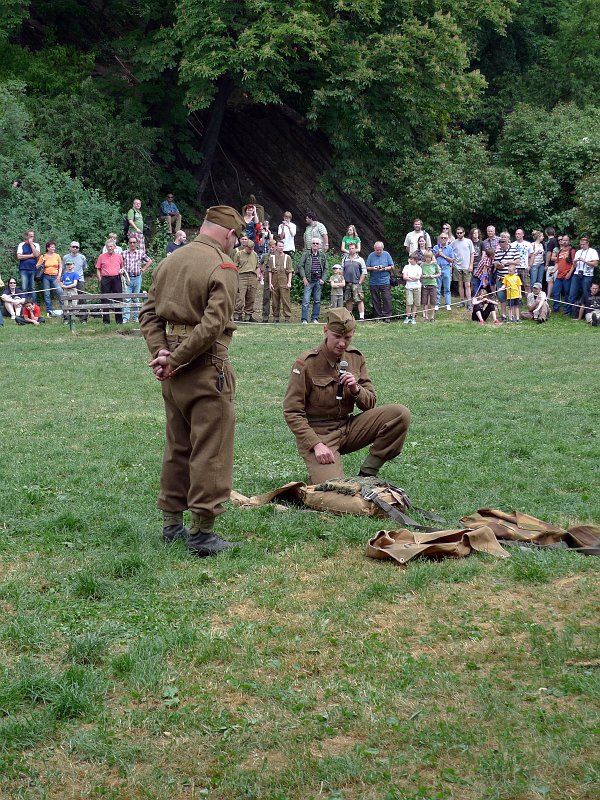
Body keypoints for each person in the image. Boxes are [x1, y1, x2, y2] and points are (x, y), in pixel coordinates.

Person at [138, 205, 244, 557]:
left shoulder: (169, 261)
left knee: (177, 444)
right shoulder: (223, 266)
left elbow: (148, 313)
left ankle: (171, 524)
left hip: (169, 363)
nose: (235, 244)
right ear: (229, 234)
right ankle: (202, 533)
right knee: (211, 448)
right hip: (205, 365)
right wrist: (178, 359)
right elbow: (213, 326)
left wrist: (162, 354)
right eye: (236, 238)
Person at [284, 307, 411, 483]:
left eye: (347, 338)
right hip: (320, 434)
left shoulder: (355, 358)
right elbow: (292, 412)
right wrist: (316, 444)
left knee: (399, 414)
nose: (342, 343)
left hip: (349, 428)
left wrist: (356, 389)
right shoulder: (307, 363)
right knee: (334, 492)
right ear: (326, 331)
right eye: (337, 337)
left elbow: (370, 403)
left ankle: (367, 474)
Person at [297, 236, 328, 324]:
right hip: (308, 281)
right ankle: (304, 319)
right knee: (306, 301)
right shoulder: (306, 254)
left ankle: (315, 318)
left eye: (317, 243)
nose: (315, 245)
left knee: (317, 300)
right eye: (313, 243)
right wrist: (303, 278)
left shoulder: (322, 255)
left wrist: (323, 279)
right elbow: (300, 266)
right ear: (311, 245)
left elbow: (326, 268)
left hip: (318, 281)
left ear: (319, 245)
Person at [122, 236, 152, 323]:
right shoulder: (123, 253)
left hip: (137, 278)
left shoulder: (140, 253)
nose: (132, 244)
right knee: (126, 298)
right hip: (127, 278)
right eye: (130, 242)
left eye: (134, 242)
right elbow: (120, 262)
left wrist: (143, 269)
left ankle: (135, 317)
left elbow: (149, 261)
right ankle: (126, 318)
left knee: (135, 298)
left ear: (137, 244)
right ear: (128, 243)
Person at [568, 236, 599, 318]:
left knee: (586, 294)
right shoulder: (578, 252)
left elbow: (595, 264)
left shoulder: (593, 252)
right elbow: (574, 265)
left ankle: (587, 312)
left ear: (588, 243)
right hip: (577, 274)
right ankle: (571, 312)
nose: (582, 246)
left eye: (583, 244)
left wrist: (584, 261)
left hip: (587, 275)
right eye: (581, 244)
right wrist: (575, 262)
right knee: (572, 293)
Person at [96, 240, 124, 324]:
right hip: (105, 279)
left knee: (118, 299)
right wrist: (100, 279)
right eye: (108, 247)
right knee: (105, 299)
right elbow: (98, 269)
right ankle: (106, 321)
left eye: (111, 246)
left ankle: (119, 321)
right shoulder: (101, 256)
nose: (110, 248)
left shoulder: (119, 256)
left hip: (116, 278)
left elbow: (122, 267)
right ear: (106, 247)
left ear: (114, 247)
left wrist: (122, 271)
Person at [493, 233, 521, 320]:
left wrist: (508, 262)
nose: (501, 243)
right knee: (501, 296)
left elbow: (518, 262)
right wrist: (499, 265)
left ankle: (512, 315)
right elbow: (495, 263)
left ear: (507, 241)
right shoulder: (497, 251)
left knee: (512, 296)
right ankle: (504, 315)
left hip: (512, 278)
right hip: (501, 277)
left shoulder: (514, 250)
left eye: (503, 241)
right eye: (500, 241)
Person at [233, 234, 260, 322]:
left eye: (252, 249)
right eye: (250, 248)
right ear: (246, 247)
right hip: (241, 276)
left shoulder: (255, 254)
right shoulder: (239, 254)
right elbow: (235, 267)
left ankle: (248, 316)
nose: (251, 250)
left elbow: (257, 266)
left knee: (251, 297)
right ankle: (237, 315)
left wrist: (258, 275)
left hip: (252, 276)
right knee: (240, 297)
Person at [366, 241, 394, 322]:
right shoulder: (371, 255)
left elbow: (392, 266)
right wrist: (373, 268)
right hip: (374, 281)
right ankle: (378, 316)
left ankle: (387, 316)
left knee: (386, 299)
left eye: (380, 250)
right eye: (377, 250)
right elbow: (366, 268)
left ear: (383, 248)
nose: (378, 251)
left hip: (385, 281)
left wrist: (384, 268)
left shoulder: (387, 254)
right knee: (375, 299)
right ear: (374, 249)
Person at [62, 241, 89, 323]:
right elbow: (63, 268)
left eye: (77, 247)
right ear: (70, 247)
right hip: (68, 280)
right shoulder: (65, 257)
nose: (75, 248)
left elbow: (85, 267)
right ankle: (67, 318)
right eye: (73, 247)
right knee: (66, 299)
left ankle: (83, 319)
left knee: (81, 299)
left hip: (80, 280)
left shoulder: (82, 257)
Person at [268, 239, 293, 322]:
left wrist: (289, 282)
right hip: (275, 282)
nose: (281, 248)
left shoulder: (287, 257)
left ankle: (287, 317)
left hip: (284, 281)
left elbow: (290, 271)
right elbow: (270, 272)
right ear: (276, 247)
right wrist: (270, 283)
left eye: (282, 246)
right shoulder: (272, 258)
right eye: (279, 246)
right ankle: (276, 317)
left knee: (285, 300)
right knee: (275, 301)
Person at [37, 241, 63, 317]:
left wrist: (59, 275)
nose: (53, 248)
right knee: (47, 293)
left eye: (54, 247)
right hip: (46, 276)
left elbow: (60, 266)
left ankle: (63, 308)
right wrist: (42, 261)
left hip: (55, 276)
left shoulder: (57, 256)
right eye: (52, 247)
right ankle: (49, 311)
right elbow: (37, 266)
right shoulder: (43, 256)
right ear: (48, 248)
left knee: (59, 291)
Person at [342, 243, 367, 320]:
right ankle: (350, 317)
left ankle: (362, 317)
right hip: (347, 283)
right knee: (348, 300)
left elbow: (364, 272)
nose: (351, 250)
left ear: (356, 249)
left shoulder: (360, 259)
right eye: (349, 249)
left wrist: (360, 282)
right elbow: (342, 271)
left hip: (356, 283)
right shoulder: (344, 259)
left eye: (353, 248)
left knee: (359, 299)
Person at [551, 235, 575, 313]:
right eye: (563, 240)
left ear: (569, 241)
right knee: (555, 291)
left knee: (567, 293)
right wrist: (553, 271)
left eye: (566, 240)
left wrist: (569, 273)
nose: (564, 242)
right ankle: (556, 308)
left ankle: (567, 309)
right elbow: (557, 263)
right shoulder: (560, 251)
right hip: (559, 275)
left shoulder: (572, 251)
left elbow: (574, 264)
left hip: (567, 275)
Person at [452, 226, 474, 308]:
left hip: (467, 266)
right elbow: (450, 252)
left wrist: (471, 265)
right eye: (457, 233)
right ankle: (462, 301)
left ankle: (469, 302)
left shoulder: (468, 241)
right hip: (457, 266)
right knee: (460, 284)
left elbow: (472, 253)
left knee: (467, 284)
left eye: (461, 233)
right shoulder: (454, 243)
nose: (459, 234)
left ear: (464, 233)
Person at [16, 229, 40, 301]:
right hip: (24, 269)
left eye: (33, 236)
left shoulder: (36, 245)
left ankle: (34, 305)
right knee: (24, 288)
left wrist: (31, 244)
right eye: (30, 236)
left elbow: (36, 255)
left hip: (33, 269)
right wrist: (30, 255)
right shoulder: (21, 245)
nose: (32, 238)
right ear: (26, 236)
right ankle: (24, 305)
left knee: (32, 288)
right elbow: (19, 256)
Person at [433, 232, 454, 311]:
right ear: (439, 239)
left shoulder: (450, 248)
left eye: (445, 238)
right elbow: (432, 257)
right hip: (437, 268)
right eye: (442, 238)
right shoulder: (435, 247)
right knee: (437, 287)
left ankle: (448, 304)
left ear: (447, 239)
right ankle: (436, 304)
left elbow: (452, 260)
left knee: (447, 287)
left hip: (446, 268)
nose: (443, 239)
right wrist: (438, 253)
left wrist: (444, 256)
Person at [259, 238, 277, 322]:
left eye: (273, 247)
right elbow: (260, 263)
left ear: (276, 247)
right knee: (266, 298)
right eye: (270, 247)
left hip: (276, 278)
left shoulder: (279, 255)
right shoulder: (266, 255)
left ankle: (276, 317)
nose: (271, 248)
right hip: (266, 278)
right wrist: (260, 272)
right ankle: (265, 317)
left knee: (275, 299)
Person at [402, 252, 422, 325]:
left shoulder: (418, 268)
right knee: (409, 302)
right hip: (409, 287)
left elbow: (418, 277)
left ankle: (413, 317)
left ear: (415, 260)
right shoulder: (406, 267)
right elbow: (404, 277)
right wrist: (412, 278)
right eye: (410, 259)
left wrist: (409, 277)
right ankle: (408, 317)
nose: (410, 260)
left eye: (412, 259)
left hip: (417, 287)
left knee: (416, 303)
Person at [420, 250, 439, 322]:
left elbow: (439, 273)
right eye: (426, 257)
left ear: (431, 257)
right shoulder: (422, 265)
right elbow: (420, 275)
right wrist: (425, 276)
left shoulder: (434, 264)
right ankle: (426, 317)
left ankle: (432, 317)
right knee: (425, 301)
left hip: (433, 284)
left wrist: (434, 276)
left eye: (429, 257)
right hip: (425, 285)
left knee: (433, 301)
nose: (428, 259)